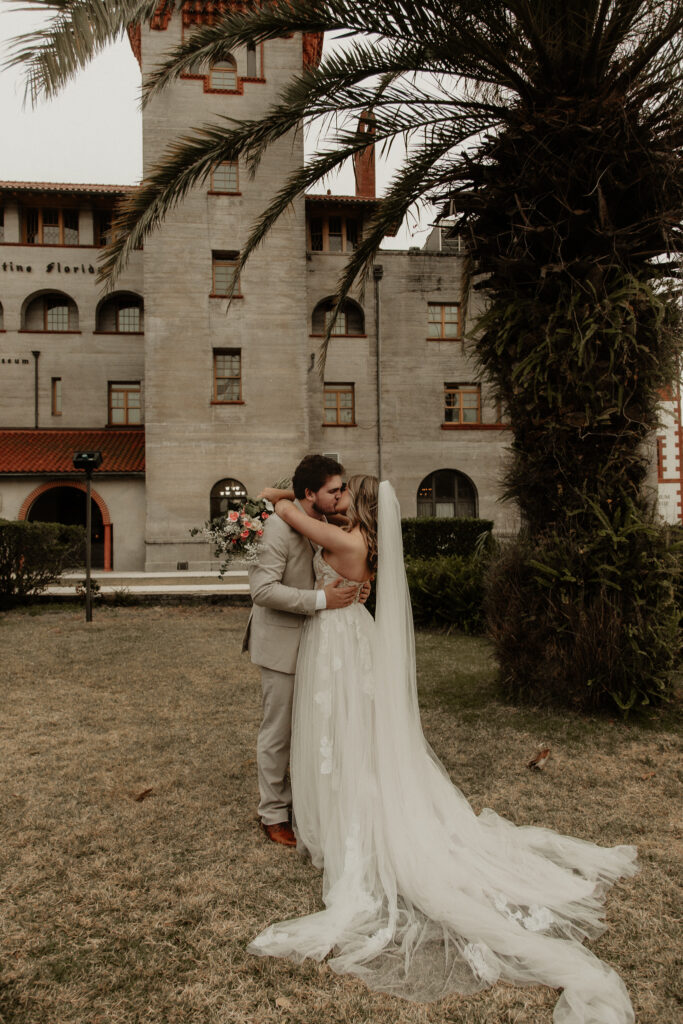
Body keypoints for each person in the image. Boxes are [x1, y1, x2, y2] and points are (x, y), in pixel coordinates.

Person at [248, 476, 639, 1023]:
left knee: (344, 733)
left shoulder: (346, 541)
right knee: (352, 732)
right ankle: (338, 801)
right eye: (331, 493)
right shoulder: (355, 537)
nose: (333, 501)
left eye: (341, 495)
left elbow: (293, 518)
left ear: (355, 506)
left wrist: (280, 498)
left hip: (337, 638)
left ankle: (346, 814)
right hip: (345, 634)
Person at [242, 454, 364, 848]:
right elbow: (262, 591)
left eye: (343, 487)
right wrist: (322, 600)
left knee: (315, 729)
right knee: (278, 733)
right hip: (282, 644)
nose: (342, 495)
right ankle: (273, 813)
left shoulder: (326, 521)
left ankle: (309, 802)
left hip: (320, 645)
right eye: (335, 490)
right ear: (310, 494)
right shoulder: (278, 528)